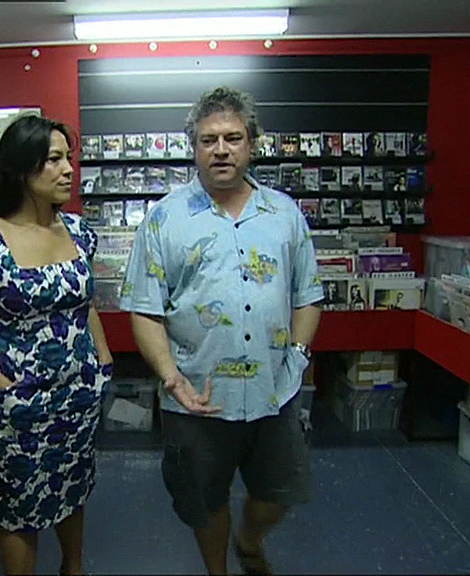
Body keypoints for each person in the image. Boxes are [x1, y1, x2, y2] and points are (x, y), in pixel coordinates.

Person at [119, 86, 323, 575]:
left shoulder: (284, 214)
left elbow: (308, 294)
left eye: (233, 138)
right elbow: (145, 309)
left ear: (252, 144)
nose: (221, 150)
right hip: (196, 397)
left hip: (275, 392)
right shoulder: (164, 219)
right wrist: (171, 377)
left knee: (279, 492)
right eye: (208, 140)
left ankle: (249, 540)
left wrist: (296, 356)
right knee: (203, 500)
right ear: (193, 147)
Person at [0, 114, 112, 575]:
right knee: (16, 509)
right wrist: (4, 388)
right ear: (21, 168)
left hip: (77, 398)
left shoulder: (78, 231)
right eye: (54, 159)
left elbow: (83, 304)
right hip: (17, 407)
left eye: (68, 158)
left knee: (72, 487)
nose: (68, 169)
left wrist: (103, 362)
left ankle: (73, 567)